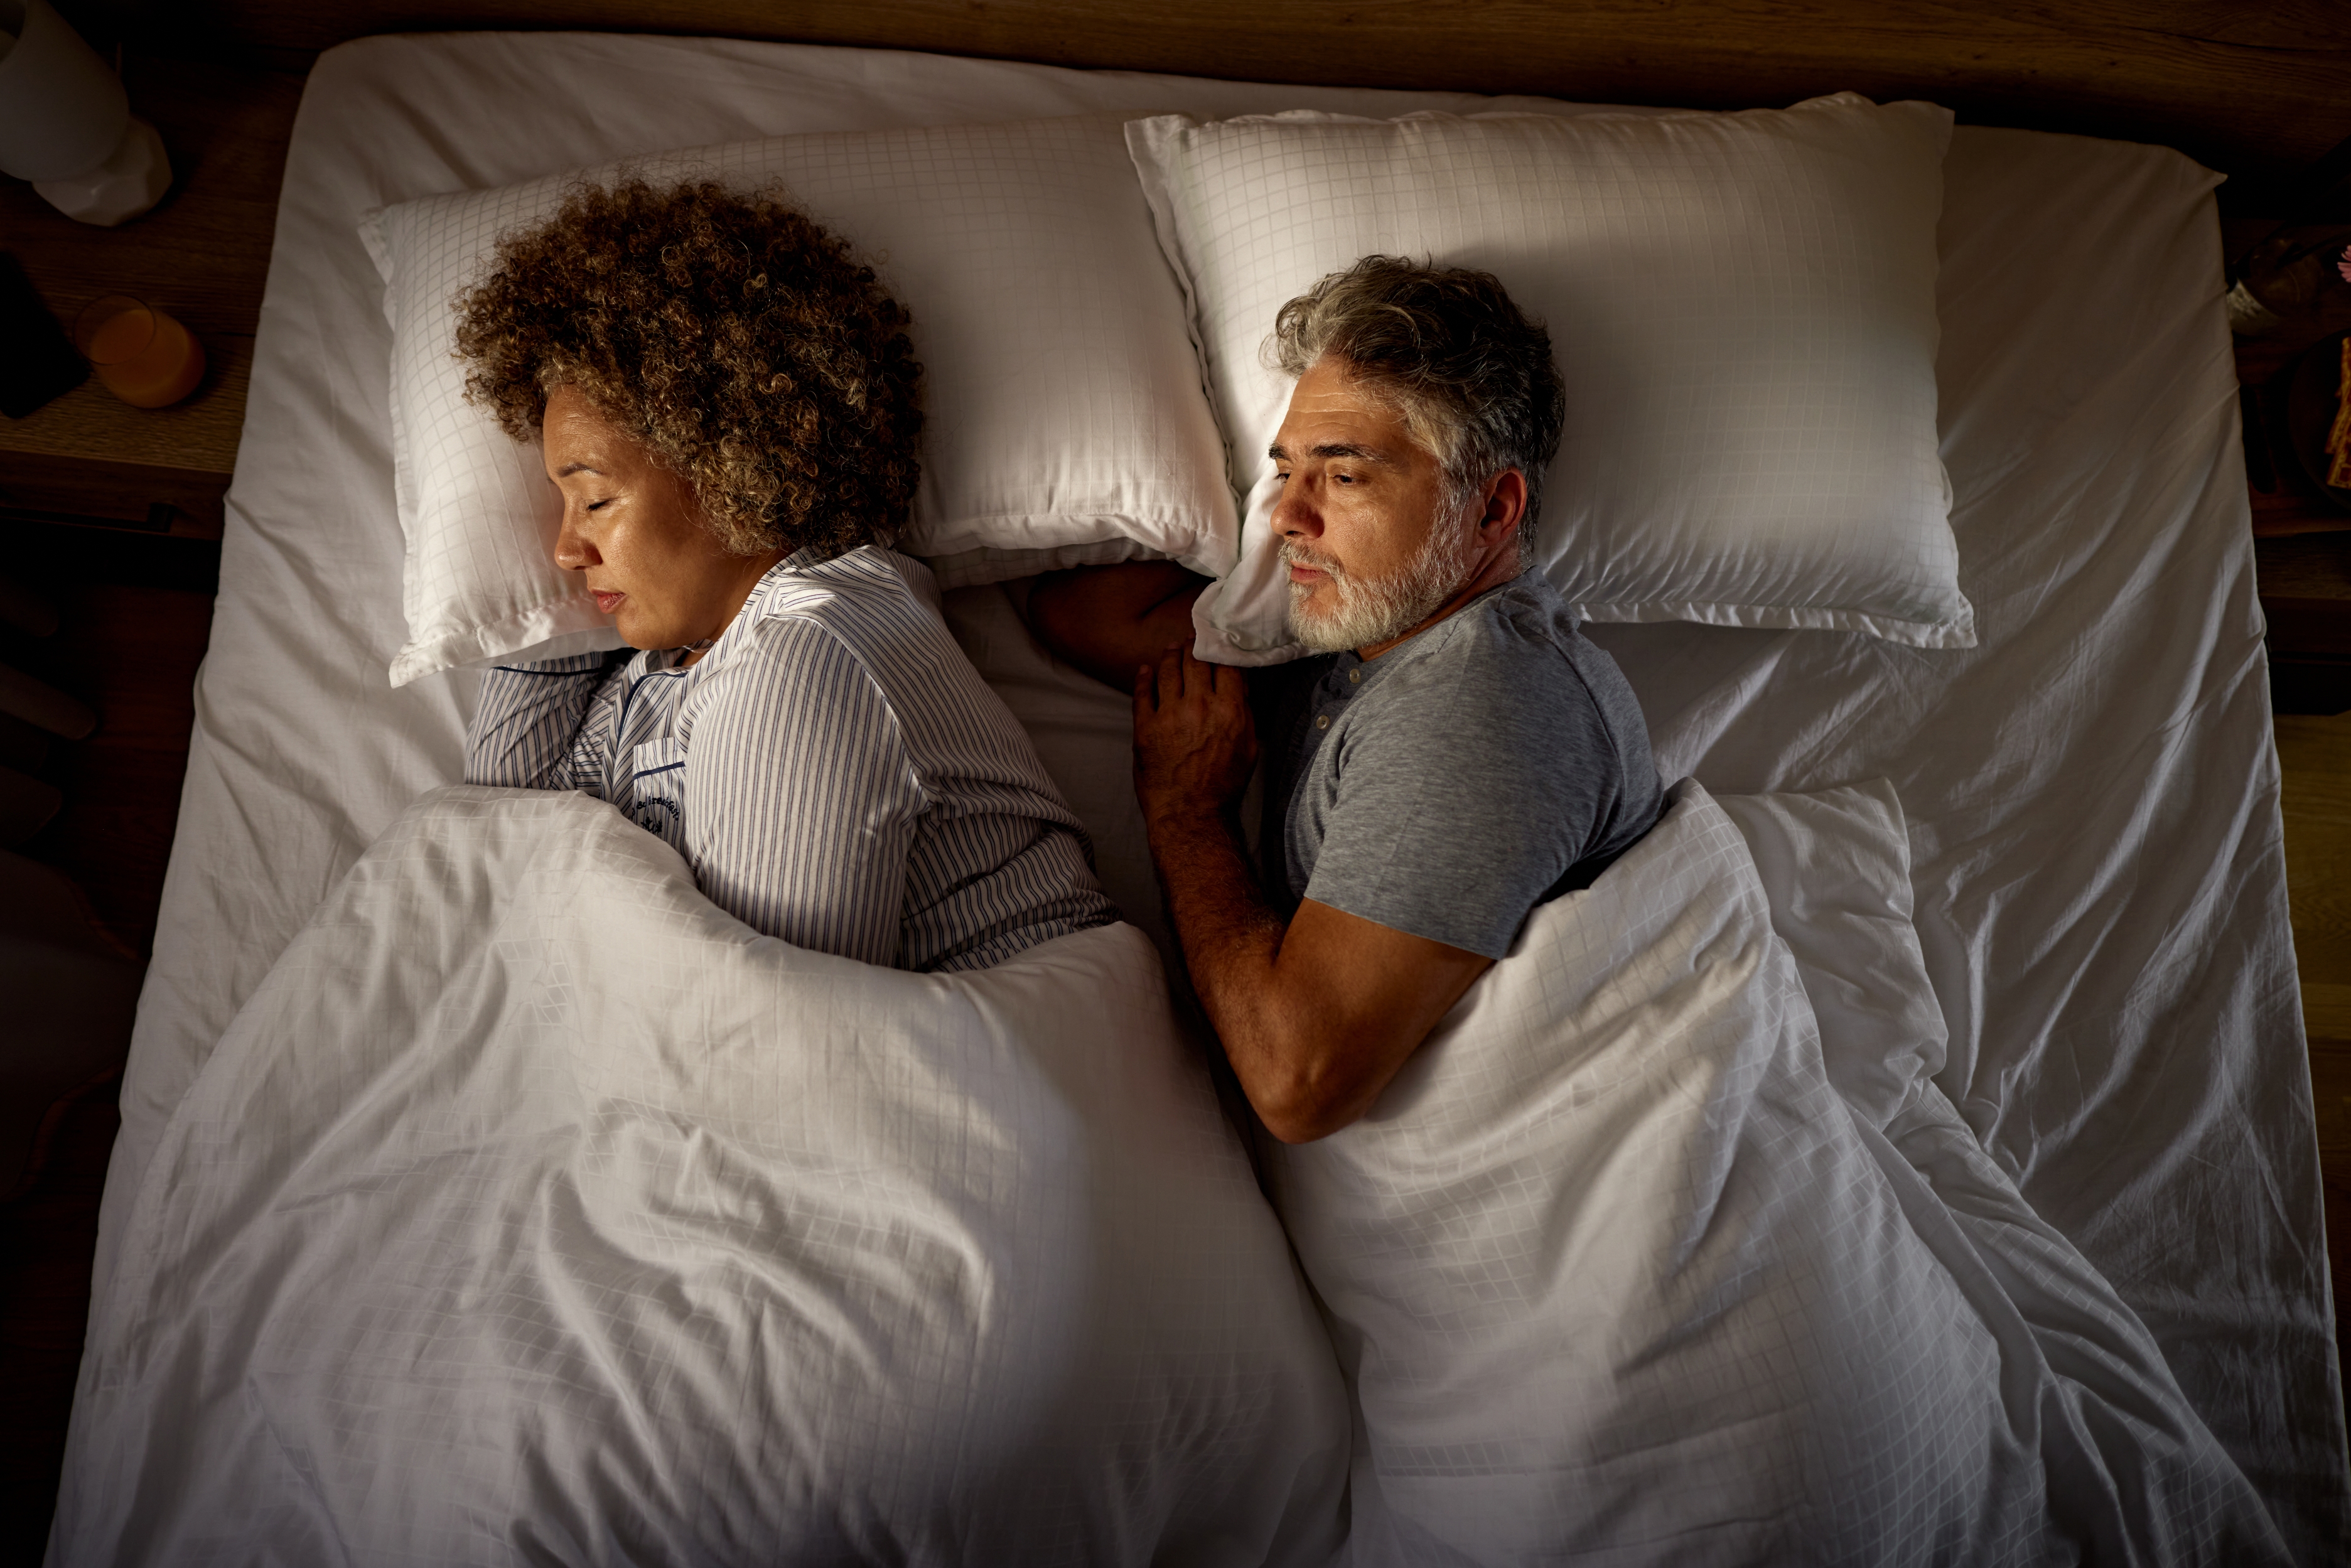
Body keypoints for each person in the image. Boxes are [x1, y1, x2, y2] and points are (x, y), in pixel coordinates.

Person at [1030, 257, 1661, 1141]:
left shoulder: (1482, 699)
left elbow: (1297, 1083)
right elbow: (1077, 615)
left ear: (1491, 511)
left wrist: (1184, 811)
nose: (1288, 515)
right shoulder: (1357, 637)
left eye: (1345, 474)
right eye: (1282, 472)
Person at [455, 179, 1117, 972]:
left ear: (728, 461)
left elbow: (765, 1029)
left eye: (594, 498)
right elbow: (489, 839)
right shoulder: (660, 666)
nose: (565, 550)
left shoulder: (811, 647)